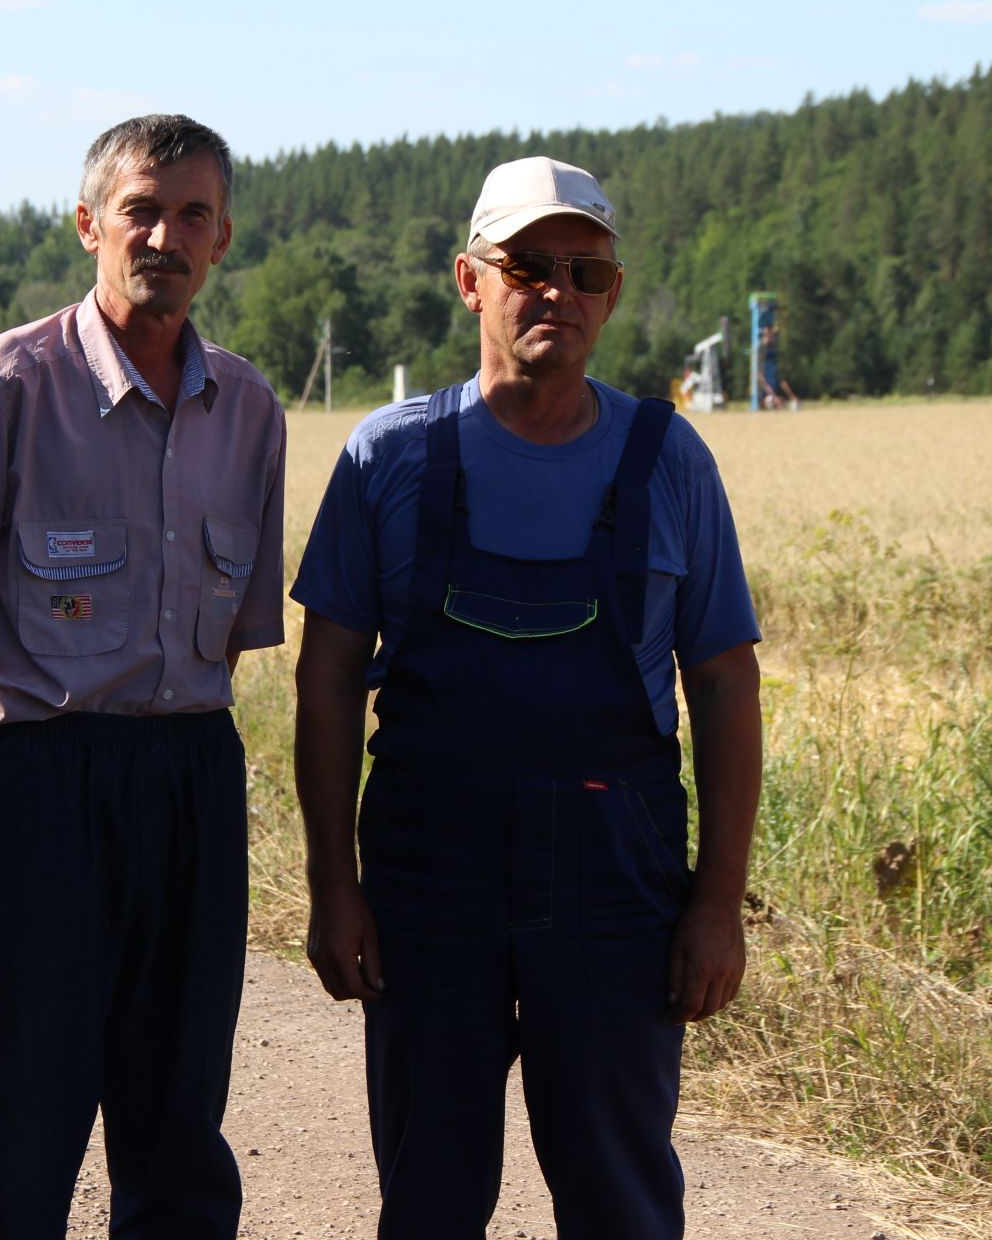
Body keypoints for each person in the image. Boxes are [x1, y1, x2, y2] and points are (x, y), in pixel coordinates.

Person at [292, 156, 762, 1239]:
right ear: (471, 281)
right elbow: (325, 682)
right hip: (428, 877)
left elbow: (726, 687)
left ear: (615, 292)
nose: (560, 291)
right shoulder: (387, 457)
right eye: (530, 266)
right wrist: (334, 885)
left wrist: (718, 901)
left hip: (615, 878)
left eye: (588, 272)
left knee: (619, 1196)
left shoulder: (669, 460)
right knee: (430, 1189)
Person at [0, 113, 286, 1239]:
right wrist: (22, 757)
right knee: (16, 1114)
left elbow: (236, 639)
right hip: (39, 783)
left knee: (178, 1118)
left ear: (222, 242)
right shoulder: (2, 386)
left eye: (192, 215)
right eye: (140, 210)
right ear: (88, 225)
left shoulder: (250, 410)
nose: (164, 235)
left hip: (191, 782)